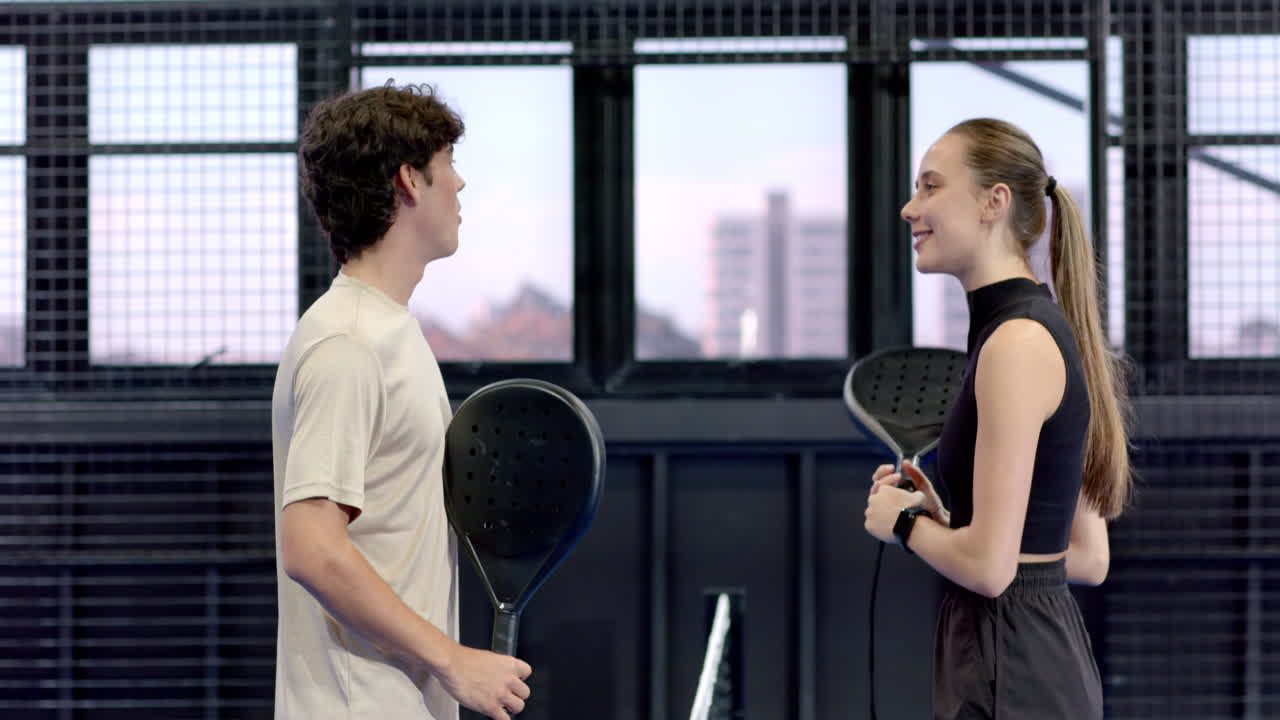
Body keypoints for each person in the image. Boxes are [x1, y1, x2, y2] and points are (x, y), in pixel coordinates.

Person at [271, 83, 531, 720]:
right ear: (410, 181)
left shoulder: (387, 329)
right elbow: (311, 547)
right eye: (448, 165)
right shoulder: (349, 343)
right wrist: (452, 658)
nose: (461, 185)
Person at [863, 118, 1131, 719]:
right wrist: (945, 520)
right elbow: (1084, 558)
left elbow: (989, 568)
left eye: (931, 187)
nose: (910, 208)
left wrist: (902, 524)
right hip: (1030, 661)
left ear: (994, 202)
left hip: (1014, 669)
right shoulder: (1028, 332)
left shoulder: (1014, 345)